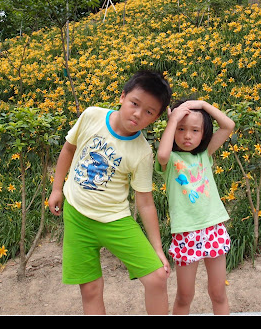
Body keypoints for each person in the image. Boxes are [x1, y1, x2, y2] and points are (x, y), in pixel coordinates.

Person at [48, 70, 172, 315]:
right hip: (77, 217)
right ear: (123, 96)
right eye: (134, 103)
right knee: (91, 289)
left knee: (157, 278)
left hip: (115, 221)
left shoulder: (142, 152)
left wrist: (157, 248)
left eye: (148, 111)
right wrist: (56, 188)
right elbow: (69, 149)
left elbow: (145, 203)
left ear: (156, 118)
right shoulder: (92, 115)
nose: (138, 114)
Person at [155, 99, 235, 315]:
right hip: (186, 233)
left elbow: (228, 126)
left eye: (194, 130)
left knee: (218, 293)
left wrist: (202, 104)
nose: (187, 136)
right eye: (181, 129)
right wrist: (173, 120)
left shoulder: (204, 155)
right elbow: (162, 154)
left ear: (203, 133)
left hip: (213, 229)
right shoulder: (170, 160)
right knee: (184, 296)